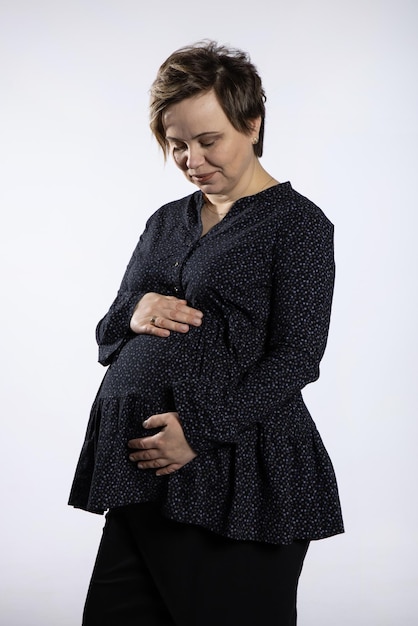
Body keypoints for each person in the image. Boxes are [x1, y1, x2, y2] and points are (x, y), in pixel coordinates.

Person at [69, 41, 344, 626]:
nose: (192, 158)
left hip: (241, 473)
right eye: (177, 145)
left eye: (207, 139)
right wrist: (136, 311)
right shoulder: (166, 221)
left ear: (252, 122)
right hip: (143, 473)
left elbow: (297, 358)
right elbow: (107, 334)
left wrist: (197, 430)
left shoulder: (298, 225)